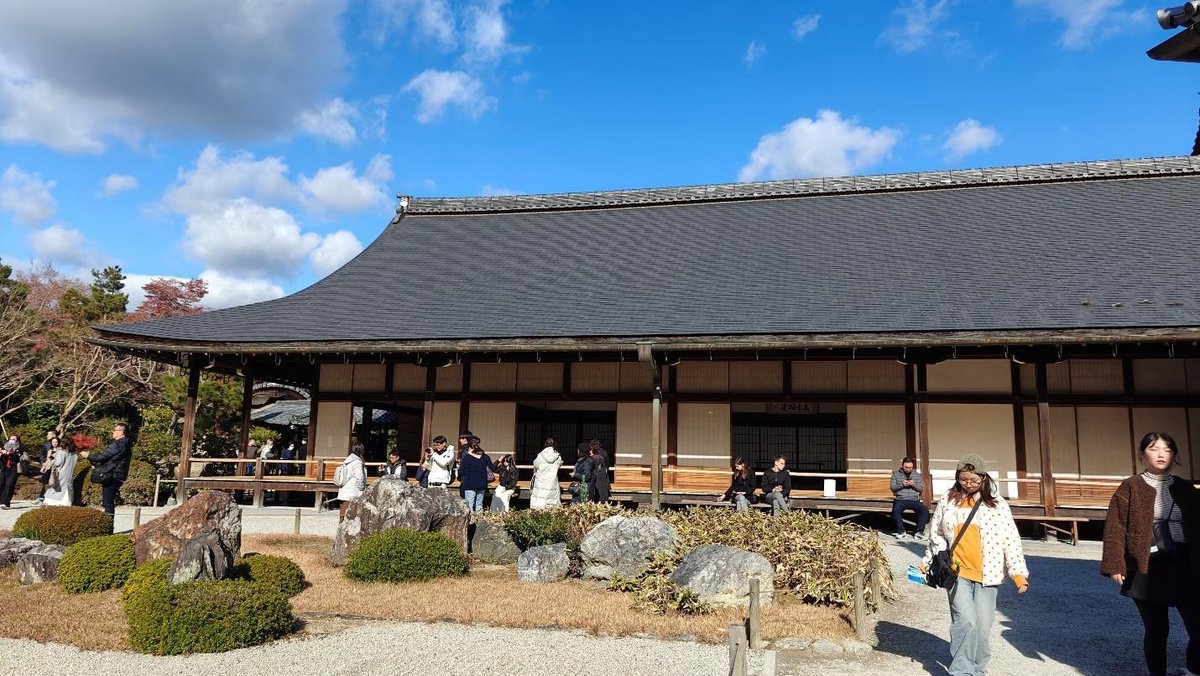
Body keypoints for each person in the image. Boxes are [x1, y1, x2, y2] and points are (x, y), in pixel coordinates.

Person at [1102, 432, 1200, 676]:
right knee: (1157, 630)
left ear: (1174, 456)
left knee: (1198, 626)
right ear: (1142, 454)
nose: (1161, 454)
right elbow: (1116, 527)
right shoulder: (1131, 486)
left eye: (1167, 450)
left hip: (1186, 563)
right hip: (1149, 564)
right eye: (1154, 448)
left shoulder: (1185, 488)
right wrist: (1116, 564)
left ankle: (1193, 669)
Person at [923, 453, 1029, 676]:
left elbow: (1010, 538)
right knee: (965, 622)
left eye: (973, 480)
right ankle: (961, 672)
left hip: (987, 574)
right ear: (957, 478)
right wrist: (928, 562)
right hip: (957, 572)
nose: (968, 484)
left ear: (983, 478)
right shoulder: (948, 500)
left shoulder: (997, 505)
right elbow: (937, 534)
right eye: (963, 479)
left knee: (981, 627)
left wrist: (1018, 573)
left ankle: (978, 669)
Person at [80, 423, 132, 519]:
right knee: (109, 501)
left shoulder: (119, 444)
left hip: (112, 475)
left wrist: (88, 455)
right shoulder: (126, 444)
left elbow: (102, 457)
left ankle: (109, 526)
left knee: (108, 502)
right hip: (116, 474)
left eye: (115, 430)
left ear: (121, 432)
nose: (113, 432)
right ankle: (109, 524)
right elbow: (112, 460)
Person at [890, 456, 929, 540]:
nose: (908, 469)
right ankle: (901, 532)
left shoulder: (917, 475)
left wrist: (913, 485)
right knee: (896, 510)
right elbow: (893, 488)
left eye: (910, 467)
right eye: (906, 467)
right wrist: (902, 484)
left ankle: (919, 532)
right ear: (902, 465)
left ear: (913, 467)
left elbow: (920, 489)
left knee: (924, 510)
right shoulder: (895, 474)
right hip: (901, 499)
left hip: (914, 499)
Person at [457, 435, 494, 512]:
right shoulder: (485, 457)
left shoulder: (467, 457)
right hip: (482, 483)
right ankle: (480, 521)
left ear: (469, 447)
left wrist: (461, 478)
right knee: (479, 503)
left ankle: (471, 522)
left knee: (469, 504)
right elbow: (492, 468)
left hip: (470, 483)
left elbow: (461, 471)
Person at [42, 437, 78, 506]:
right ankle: (66, 503)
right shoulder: (75, 454)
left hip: (61, 473)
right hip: (69, 475)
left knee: (57, 488)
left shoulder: (62, 452)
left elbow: (58, 463)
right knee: (67, 488)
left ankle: (53, 503)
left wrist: (53, 460)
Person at [336, 442, 367, 522]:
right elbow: (359, 477)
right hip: (353, 491)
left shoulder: (348, 460)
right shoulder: (357, 462)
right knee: (351, 516)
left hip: (345, 490)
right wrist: (362, 489)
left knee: (343, 515)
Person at [530, 437, 563, 509]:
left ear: (545, 444)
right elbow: (559, 464)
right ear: (554, 445)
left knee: (539, 503)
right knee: (552, 503)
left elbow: (536, 465)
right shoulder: (557, 456)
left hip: (541, 480)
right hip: (552, 481)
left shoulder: (540, 455)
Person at [36, 431, 62, 504]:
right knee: (46, 482)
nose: (47, 435)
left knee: (53, 482)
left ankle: (48, 497)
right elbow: (42, 455)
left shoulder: (60, 446)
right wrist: (43, 464)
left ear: (54, 435)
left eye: (49, 434)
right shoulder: (46, 445)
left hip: (56, 468)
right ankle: (42, 497)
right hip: (48, 466)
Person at [0, 435, 22, 510]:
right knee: (2, 484)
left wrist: (9, 453)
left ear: (17, 441)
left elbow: (17, 457)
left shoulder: (19, 448)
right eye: (10, 439)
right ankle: (2, 501)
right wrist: (1, 455)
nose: (12, 440)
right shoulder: (5, 447)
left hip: (14, 469)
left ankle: (6, 502)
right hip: (5, 468)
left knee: (9, 485)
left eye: (14, 439)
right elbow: (2, 460)